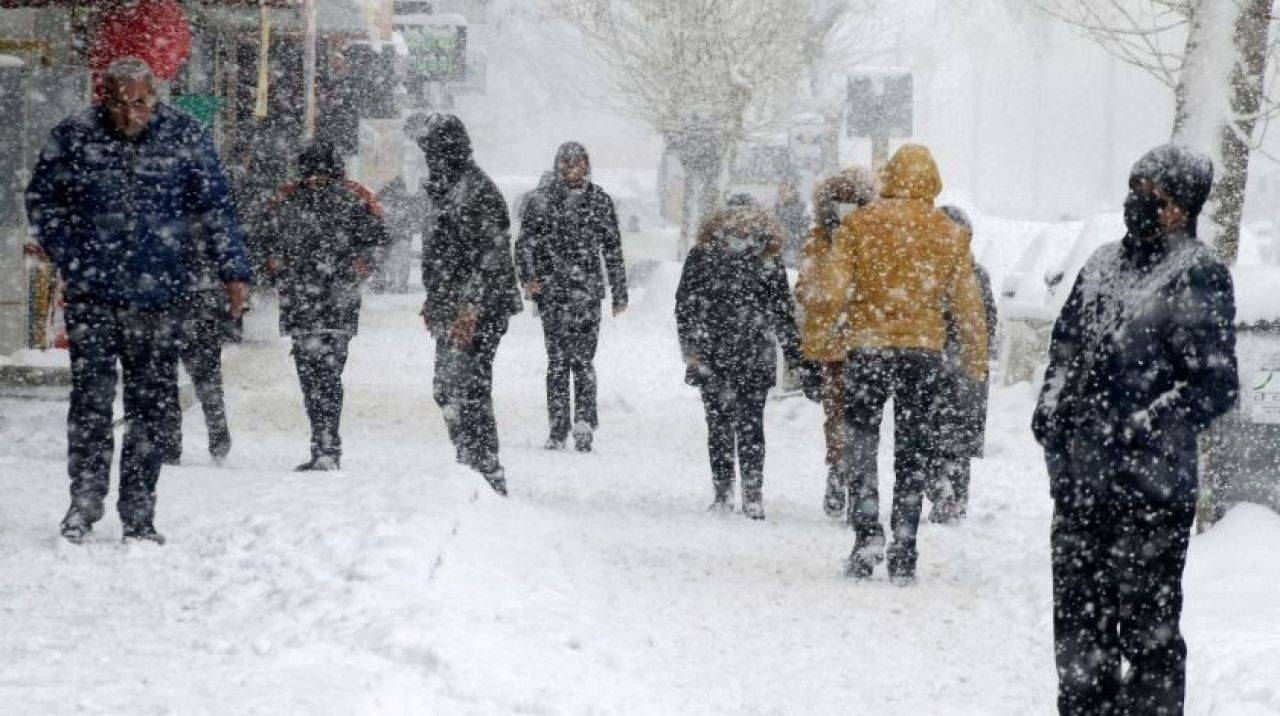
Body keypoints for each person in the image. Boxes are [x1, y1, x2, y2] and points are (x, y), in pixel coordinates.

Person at [1032, 144, 1238, 716]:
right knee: (1079, 637)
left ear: (1184, 207)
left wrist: (1141, 424)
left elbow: (1215, 387)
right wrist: (1051, 417)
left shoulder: (1197, 273)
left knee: (1149, 639)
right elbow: (1065, 352)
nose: (1140, 204)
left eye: (1157, 195)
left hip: (1151, 493)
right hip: (1079, 487)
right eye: (1136, 189)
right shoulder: (1100, 264)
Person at [25, 56, 252, 544]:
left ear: (156, 96)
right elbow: (44, 202)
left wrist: (234, 270)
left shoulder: (185, 136)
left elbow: (215, 206)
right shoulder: (74, 136)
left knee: (151, 405)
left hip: (160, 292)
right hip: (93, 293)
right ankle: (83, 503)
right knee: (91, 401)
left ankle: (139, 512)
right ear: (103, 99)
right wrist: (74, 256)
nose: (131, 114)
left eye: (141, 102)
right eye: (120, 103)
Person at [828, 144, 989, 584]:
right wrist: (975, 357)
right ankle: (904, 545)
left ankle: (866, 535)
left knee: (861, 444)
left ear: (891, 178)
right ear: (933, 181)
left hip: (868, 348)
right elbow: (968, 305)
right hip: (924, 352)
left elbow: (830, 290)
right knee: (913, 451)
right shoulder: (947, 233)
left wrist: (820, 336)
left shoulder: (860, 225)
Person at [675, 194, 808, 520]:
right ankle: (752, 494)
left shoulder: (703, 254)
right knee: (751, 426)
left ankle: (724, 493)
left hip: (713, 352)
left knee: (718, 425)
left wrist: (691, 348)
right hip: (753, 353)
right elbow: (782, 313)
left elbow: (685, 305)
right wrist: (795, 355)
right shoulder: (767, 257)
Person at [259, 140, 389, 471]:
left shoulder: (303, 202)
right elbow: (264, 241)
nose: (317, 179)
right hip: (321, 302)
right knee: (319, 375)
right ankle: (325, 443)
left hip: (319, 302)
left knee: (322, 376)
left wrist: (362, 264)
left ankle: (326, 444)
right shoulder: (340, 201)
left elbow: (377, 241)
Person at [415, 114, 522, 496]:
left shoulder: (478, 191)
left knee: (470, 386)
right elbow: (441, 253)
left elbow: (490, 256)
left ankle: (486, 468)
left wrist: (470, 307)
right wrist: (435, 298)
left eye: (431, 150)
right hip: (451, 304)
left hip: (482, 308)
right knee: (447, 388)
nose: (428, 158)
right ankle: (470, 457)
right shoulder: (446, 188)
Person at [515, 141, 628, 452]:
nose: (572, 170)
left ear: (587, 167)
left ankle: (583, 422)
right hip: (552, 294)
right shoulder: (540, 202)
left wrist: (619, 292)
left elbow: (613, 249)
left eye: (578, 164)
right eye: (566, 164)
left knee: (583, 362)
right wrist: (529, 278)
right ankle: (557, 428)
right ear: (557, 166)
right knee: (556, 363)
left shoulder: (599, 200)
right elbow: (524, 244)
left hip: (588, 293)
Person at [794, 167, 879, 520]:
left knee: (849, 415)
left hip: (858, 340)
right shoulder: (822, 240)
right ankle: (843, 471)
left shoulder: (871, 237)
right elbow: (806, 287)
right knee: (841, 415)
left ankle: (848, 474)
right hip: (844, 342)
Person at [926, 205, 998, 523]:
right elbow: (988, 323)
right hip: (965, 367)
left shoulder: (926, 272)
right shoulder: (976, 273)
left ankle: (943, 490)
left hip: (939, 363)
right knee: (956, 439)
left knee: (932, 433)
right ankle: (953, 496)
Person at [157, 237, 235, 466]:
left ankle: (169, 444)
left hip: (168, 299)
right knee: (206, 377)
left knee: (164, 376)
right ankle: (218, 438)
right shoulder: (205, 213)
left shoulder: (158, 213)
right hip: (202, 299)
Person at [774, 179, 810, 269]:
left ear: (792, 192)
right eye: (780, 192)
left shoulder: (802, 207)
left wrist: (789, 236)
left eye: (784, 191)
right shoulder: (777, 207)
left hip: (795, 249)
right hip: (781, 249)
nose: (781, 194)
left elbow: (805, 229)